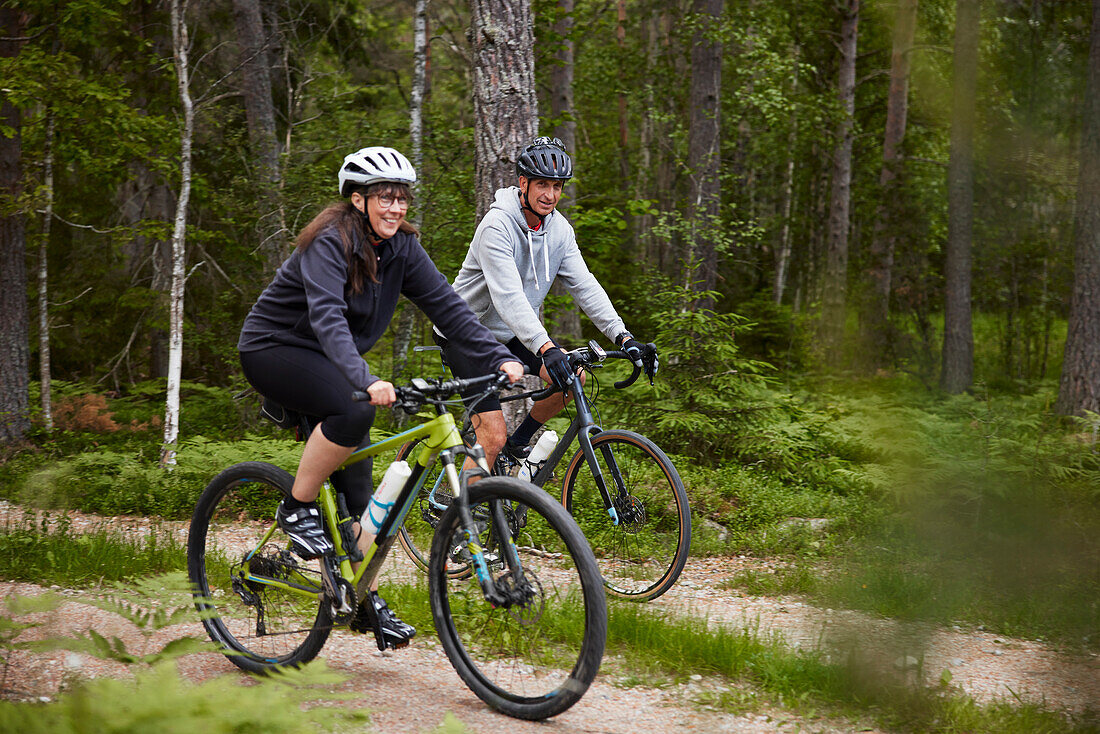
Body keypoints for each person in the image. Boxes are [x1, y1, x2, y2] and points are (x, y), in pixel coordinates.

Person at [238, 146, 524, 647]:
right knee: (353, 407)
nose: (395, 207)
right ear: (357, 200)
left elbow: (449, 308)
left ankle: (357, 596)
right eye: (384, 198)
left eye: (401, 198)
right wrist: (367, 380)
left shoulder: (402, 249)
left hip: (331, 361)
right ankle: (297, 507)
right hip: (275, 348)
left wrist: (496, 356)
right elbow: (327, 318)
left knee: (364, 500)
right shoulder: (329, 242)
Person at [435, 136, 658, 469]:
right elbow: (508, 296)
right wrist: (545, 347)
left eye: (557, 186)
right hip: (464, 333)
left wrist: (623, 337)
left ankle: (519, 444)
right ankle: (458, 516)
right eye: (542, 184)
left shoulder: (559, 231)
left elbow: (585, 285)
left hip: (506, 334)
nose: (550, 195)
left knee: (572, 378)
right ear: (523, 183)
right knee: (490, 438)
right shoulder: (496, 227)